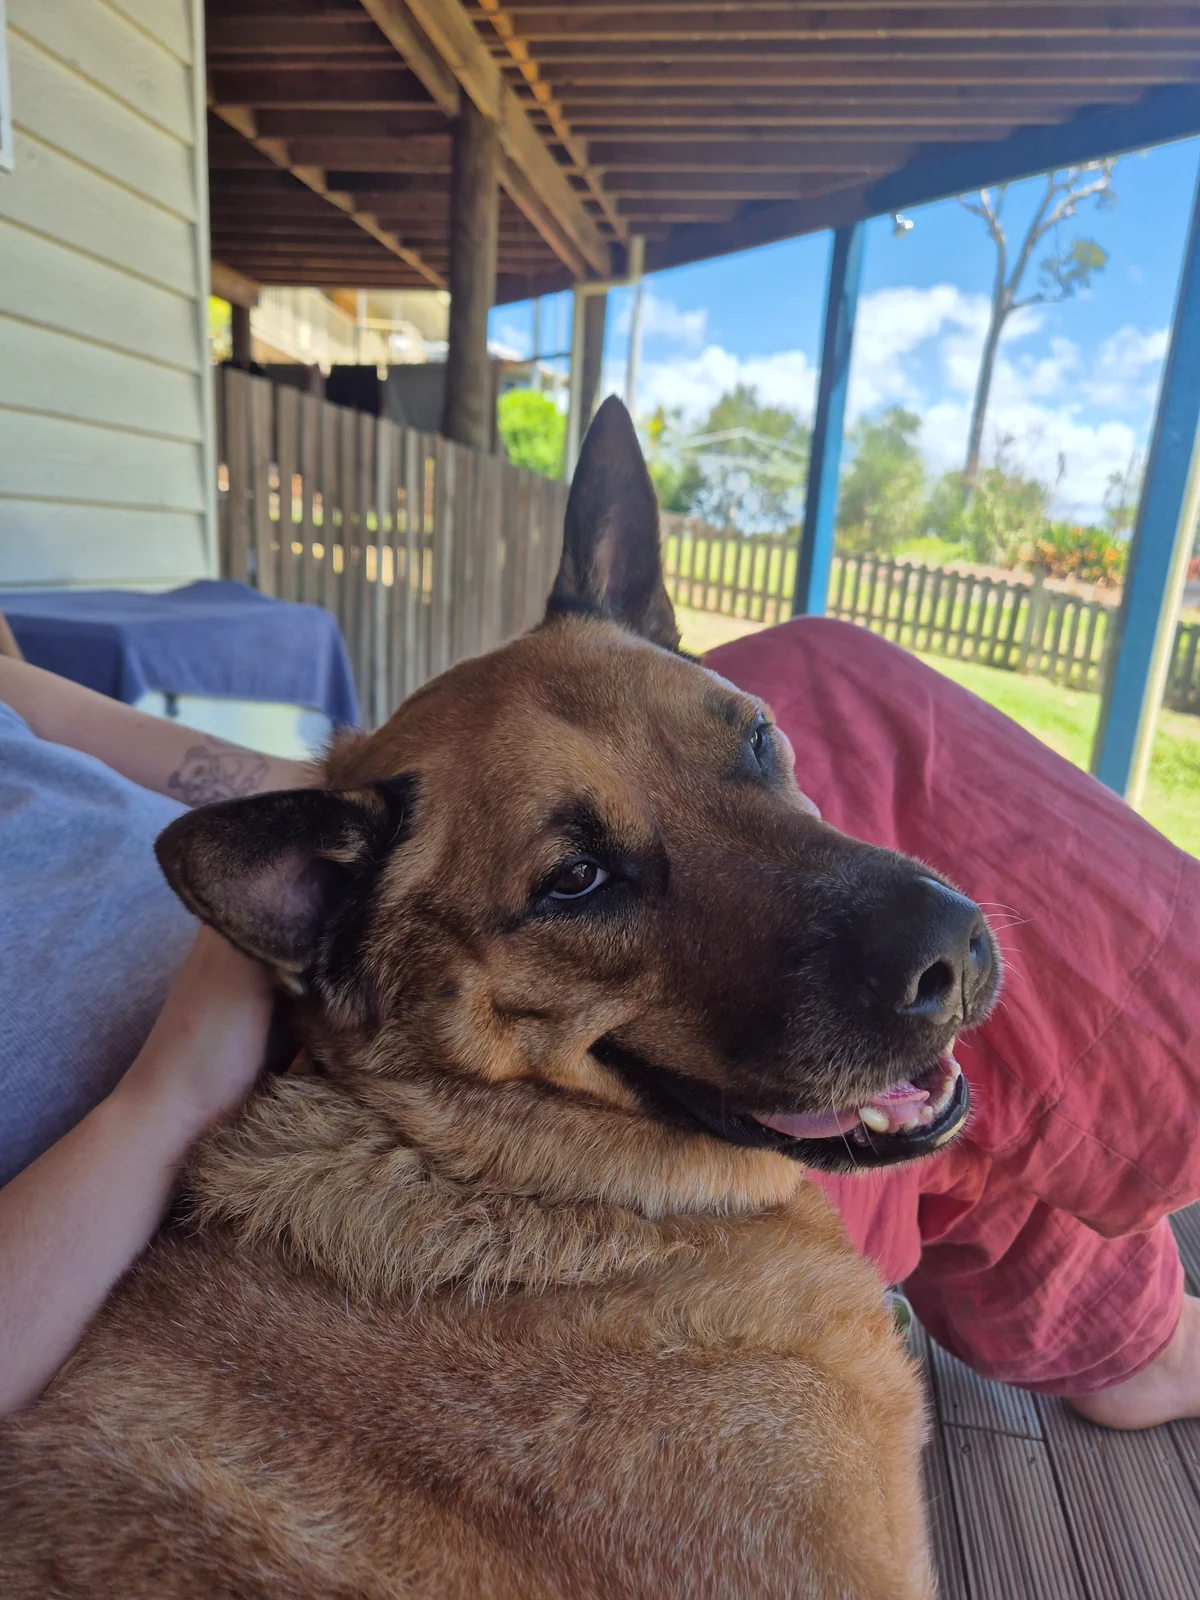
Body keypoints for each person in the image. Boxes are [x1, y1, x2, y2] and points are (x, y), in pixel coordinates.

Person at [2, 623, 1198, 1432]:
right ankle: (1134, 1315)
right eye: (580, 878)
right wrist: (166, 1095)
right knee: (830, 695)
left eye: (751, 748)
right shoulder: (213, 1048)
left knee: (762, 708)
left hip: (321, 916)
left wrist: (378, 789)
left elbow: (165, 751)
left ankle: (1123, 1332)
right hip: (298, 1059)